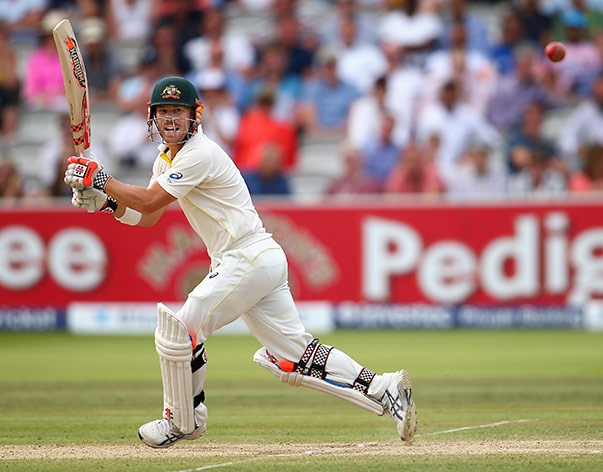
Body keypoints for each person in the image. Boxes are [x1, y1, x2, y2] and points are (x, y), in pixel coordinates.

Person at [63, 76, 417, 448]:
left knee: (180, 328)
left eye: (178, 112)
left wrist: (102, 179)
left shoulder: (199, 153)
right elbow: (147, 216)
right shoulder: (165, 160)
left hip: (245, 256)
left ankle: (183, 421)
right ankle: (384, 386)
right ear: (152, 118)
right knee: (296, 355)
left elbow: (150, 202)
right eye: (163, 112)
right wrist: (107, 203)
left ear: (194, 117)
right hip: (257, 259)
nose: (170, 120)